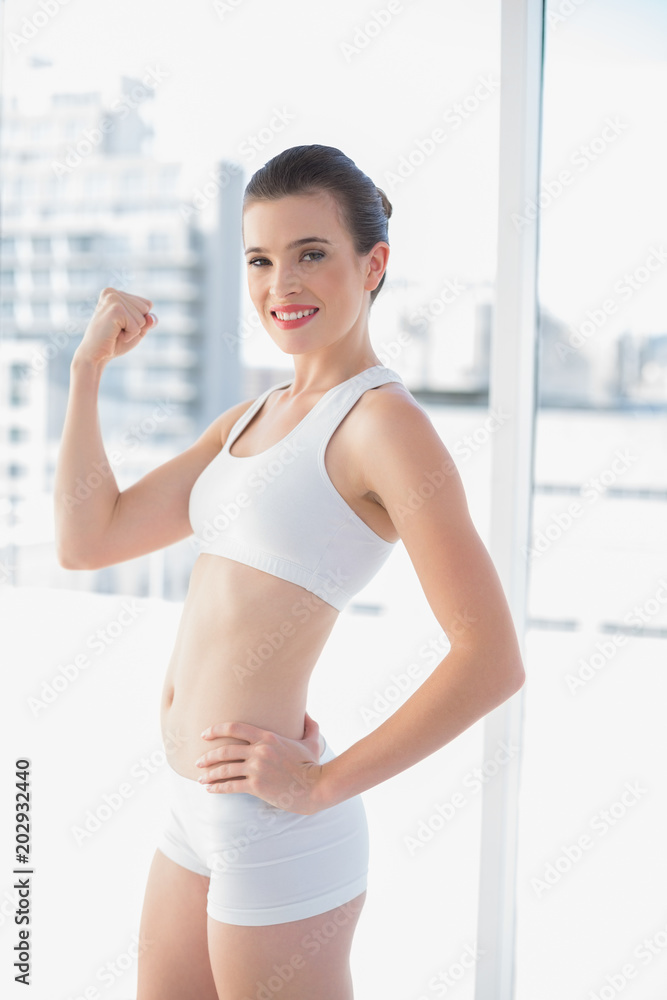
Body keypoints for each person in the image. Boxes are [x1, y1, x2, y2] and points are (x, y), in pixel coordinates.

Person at [54, 143, 525, 1000]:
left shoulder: (384, 428)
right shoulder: (252, 415)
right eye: (261, 260)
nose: (282, 285)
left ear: (372, 262)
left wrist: (320, 784)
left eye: (312, 254)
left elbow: (490, 658)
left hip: (275, 826)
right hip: (190, 809)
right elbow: (91, 538)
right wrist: (86, 373)